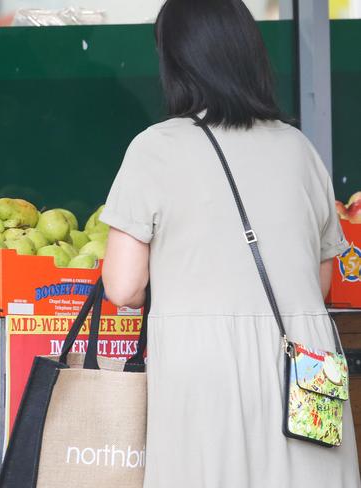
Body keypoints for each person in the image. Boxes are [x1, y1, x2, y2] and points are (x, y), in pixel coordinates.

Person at [99, 0, 361, 486]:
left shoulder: (156, 148)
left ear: (176, 62)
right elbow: (320, 280)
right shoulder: (299, 148)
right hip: (308, 370)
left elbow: (122, 285)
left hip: (206, 369)